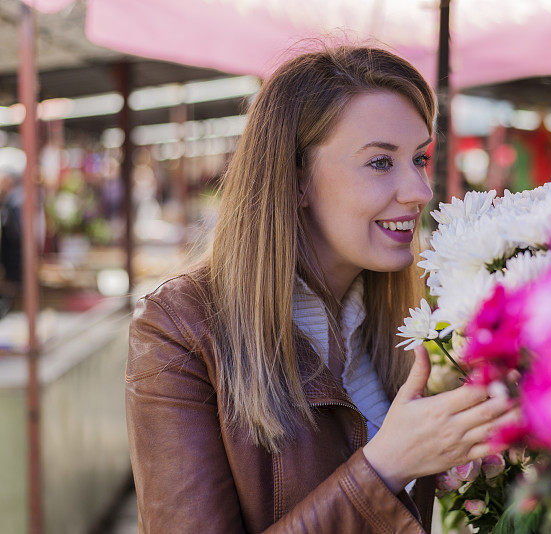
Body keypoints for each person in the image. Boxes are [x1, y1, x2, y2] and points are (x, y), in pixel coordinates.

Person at [125, 43, 520, 533]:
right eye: (380, 162)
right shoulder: (179, 329)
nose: (420, 190)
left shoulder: (417, 315)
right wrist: (385, 468)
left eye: (419, 158)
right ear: (296, 181)